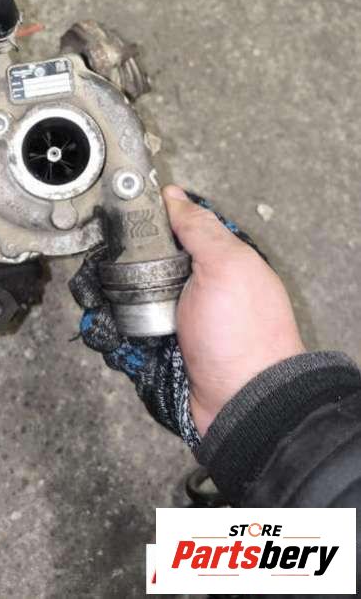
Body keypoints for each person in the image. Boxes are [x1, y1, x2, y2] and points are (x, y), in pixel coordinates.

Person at [73, 185, 361, 590]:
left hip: (309, 554)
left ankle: (210, 561)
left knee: (186, 559)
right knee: (189, 557)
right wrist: (257, 410)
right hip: (316, 548)